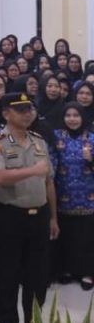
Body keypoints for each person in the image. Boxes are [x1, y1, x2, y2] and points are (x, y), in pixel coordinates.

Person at [0, 92, 58, 323]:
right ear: (6, 113)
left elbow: (48, 182)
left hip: (39, 216)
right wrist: (33, 170)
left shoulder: (39, 142)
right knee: (7, 275)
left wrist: (53, 217)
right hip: (9, 216)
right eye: (21, 109)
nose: (27, 113)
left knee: (37, 278)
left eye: (29, 109)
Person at [50, 102, 94, 290]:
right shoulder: (57, 137)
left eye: (76, 115)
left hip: (88, 198)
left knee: (86, 238)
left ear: (83, 117)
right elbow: (51, 165)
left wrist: (91, 160)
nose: (72, 119)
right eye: (68, 115)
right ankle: (66, 270)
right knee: (67, 236)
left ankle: (87, 272)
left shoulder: (91, 138)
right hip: (63, 196)